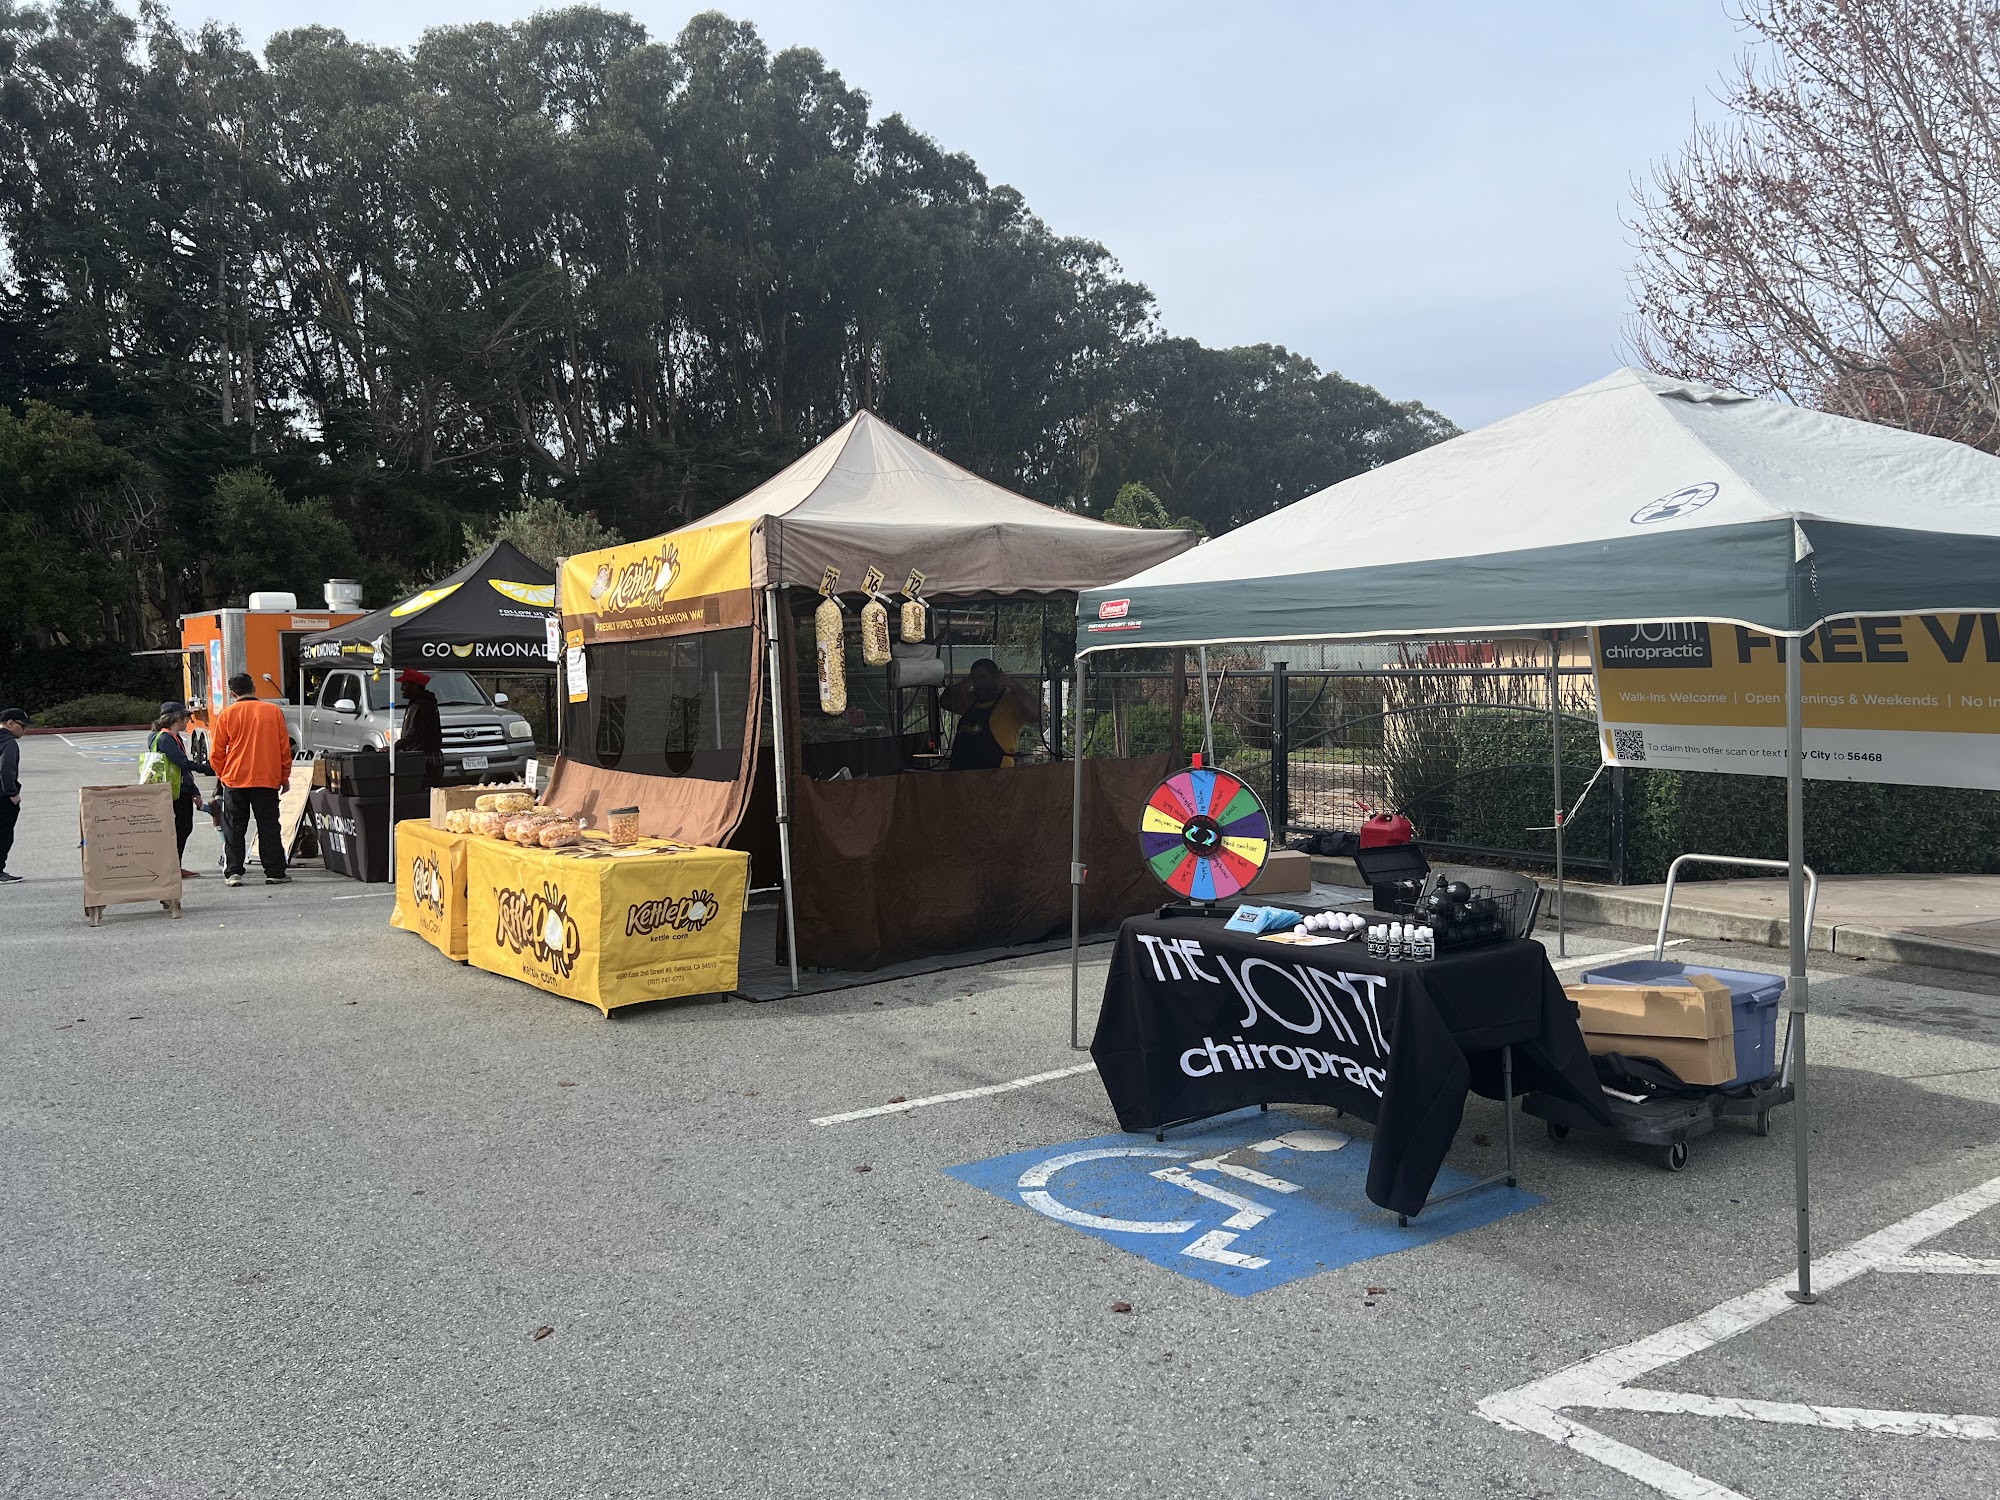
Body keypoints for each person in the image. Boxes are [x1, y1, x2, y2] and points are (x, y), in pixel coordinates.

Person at [209, 672, 295, 887]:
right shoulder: (273, 711)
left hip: (235, 778)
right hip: (267, 779)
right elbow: (284, 748)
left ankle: (234, 872)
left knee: (234, 827)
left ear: (232, 693)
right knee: (268, 826)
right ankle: (275, 871)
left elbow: (217, 752)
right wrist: (284, 776)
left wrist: (223, 775)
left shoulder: (227, 714)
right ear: (254, 688)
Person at [941, 658, 1042, 772]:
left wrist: (1013, 685)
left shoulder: (1011, 701)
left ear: (996, 676)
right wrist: (961, 686)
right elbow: (945, 702)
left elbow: (1036, 714)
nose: (978, 684)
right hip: (962, 775)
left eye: (983, 677)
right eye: (975, 679)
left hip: (997, 774)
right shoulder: (971, 700)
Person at [146, 702, 207, 878]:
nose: (188, 720)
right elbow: (183, 763)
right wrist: (207, 768)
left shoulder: (168, 737)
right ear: (176, 718)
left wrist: (194, 790)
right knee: (181, 828)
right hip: (174, 791)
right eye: (185, 717)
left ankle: (173, 866)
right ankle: (173, 867)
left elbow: (183, 769)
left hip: (174, 789)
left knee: (179, 828)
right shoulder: (166, 739)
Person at [395, 669, 444, 788]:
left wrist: (396, 746)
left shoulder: (421, 706)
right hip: (425, 758)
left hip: (425, 761)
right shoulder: (419, 704)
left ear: (415, 686)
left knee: (425, 795)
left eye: (405, 684)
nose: (402, 688)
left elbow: (413, 733)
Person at [0, 706, 25, 884]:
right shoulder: (9, 743)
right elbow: (6, 769)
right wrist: (12, 793)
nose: (25, 730)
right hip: (3, 796)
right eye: (22, 726)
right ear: (10, 723)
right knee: (4, 833)